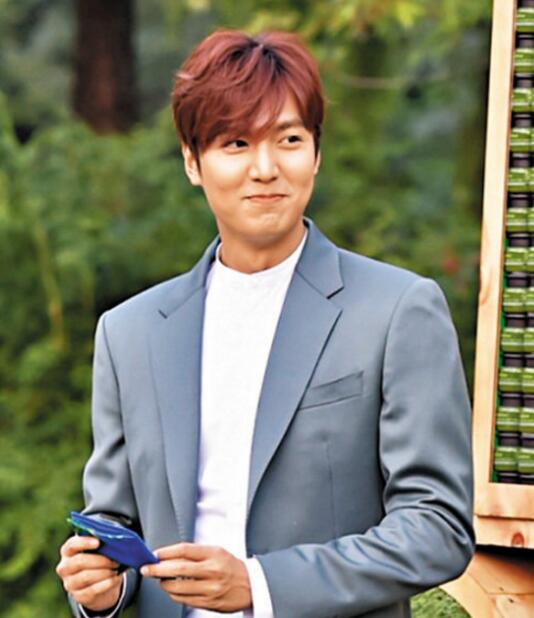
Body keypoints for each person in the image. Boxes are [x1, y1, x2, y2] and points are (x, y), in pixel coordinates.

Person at [56, 29, 474, 618]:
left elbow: (437, 528)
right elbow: (113, 521)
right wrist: (100, 589)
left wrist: (261, 584)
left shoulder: (398, 310)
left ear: (316, 153)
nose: (265, 168)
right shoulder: (129, 333)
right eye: (235, 143)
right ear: (192, 161)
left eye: (289, 139)